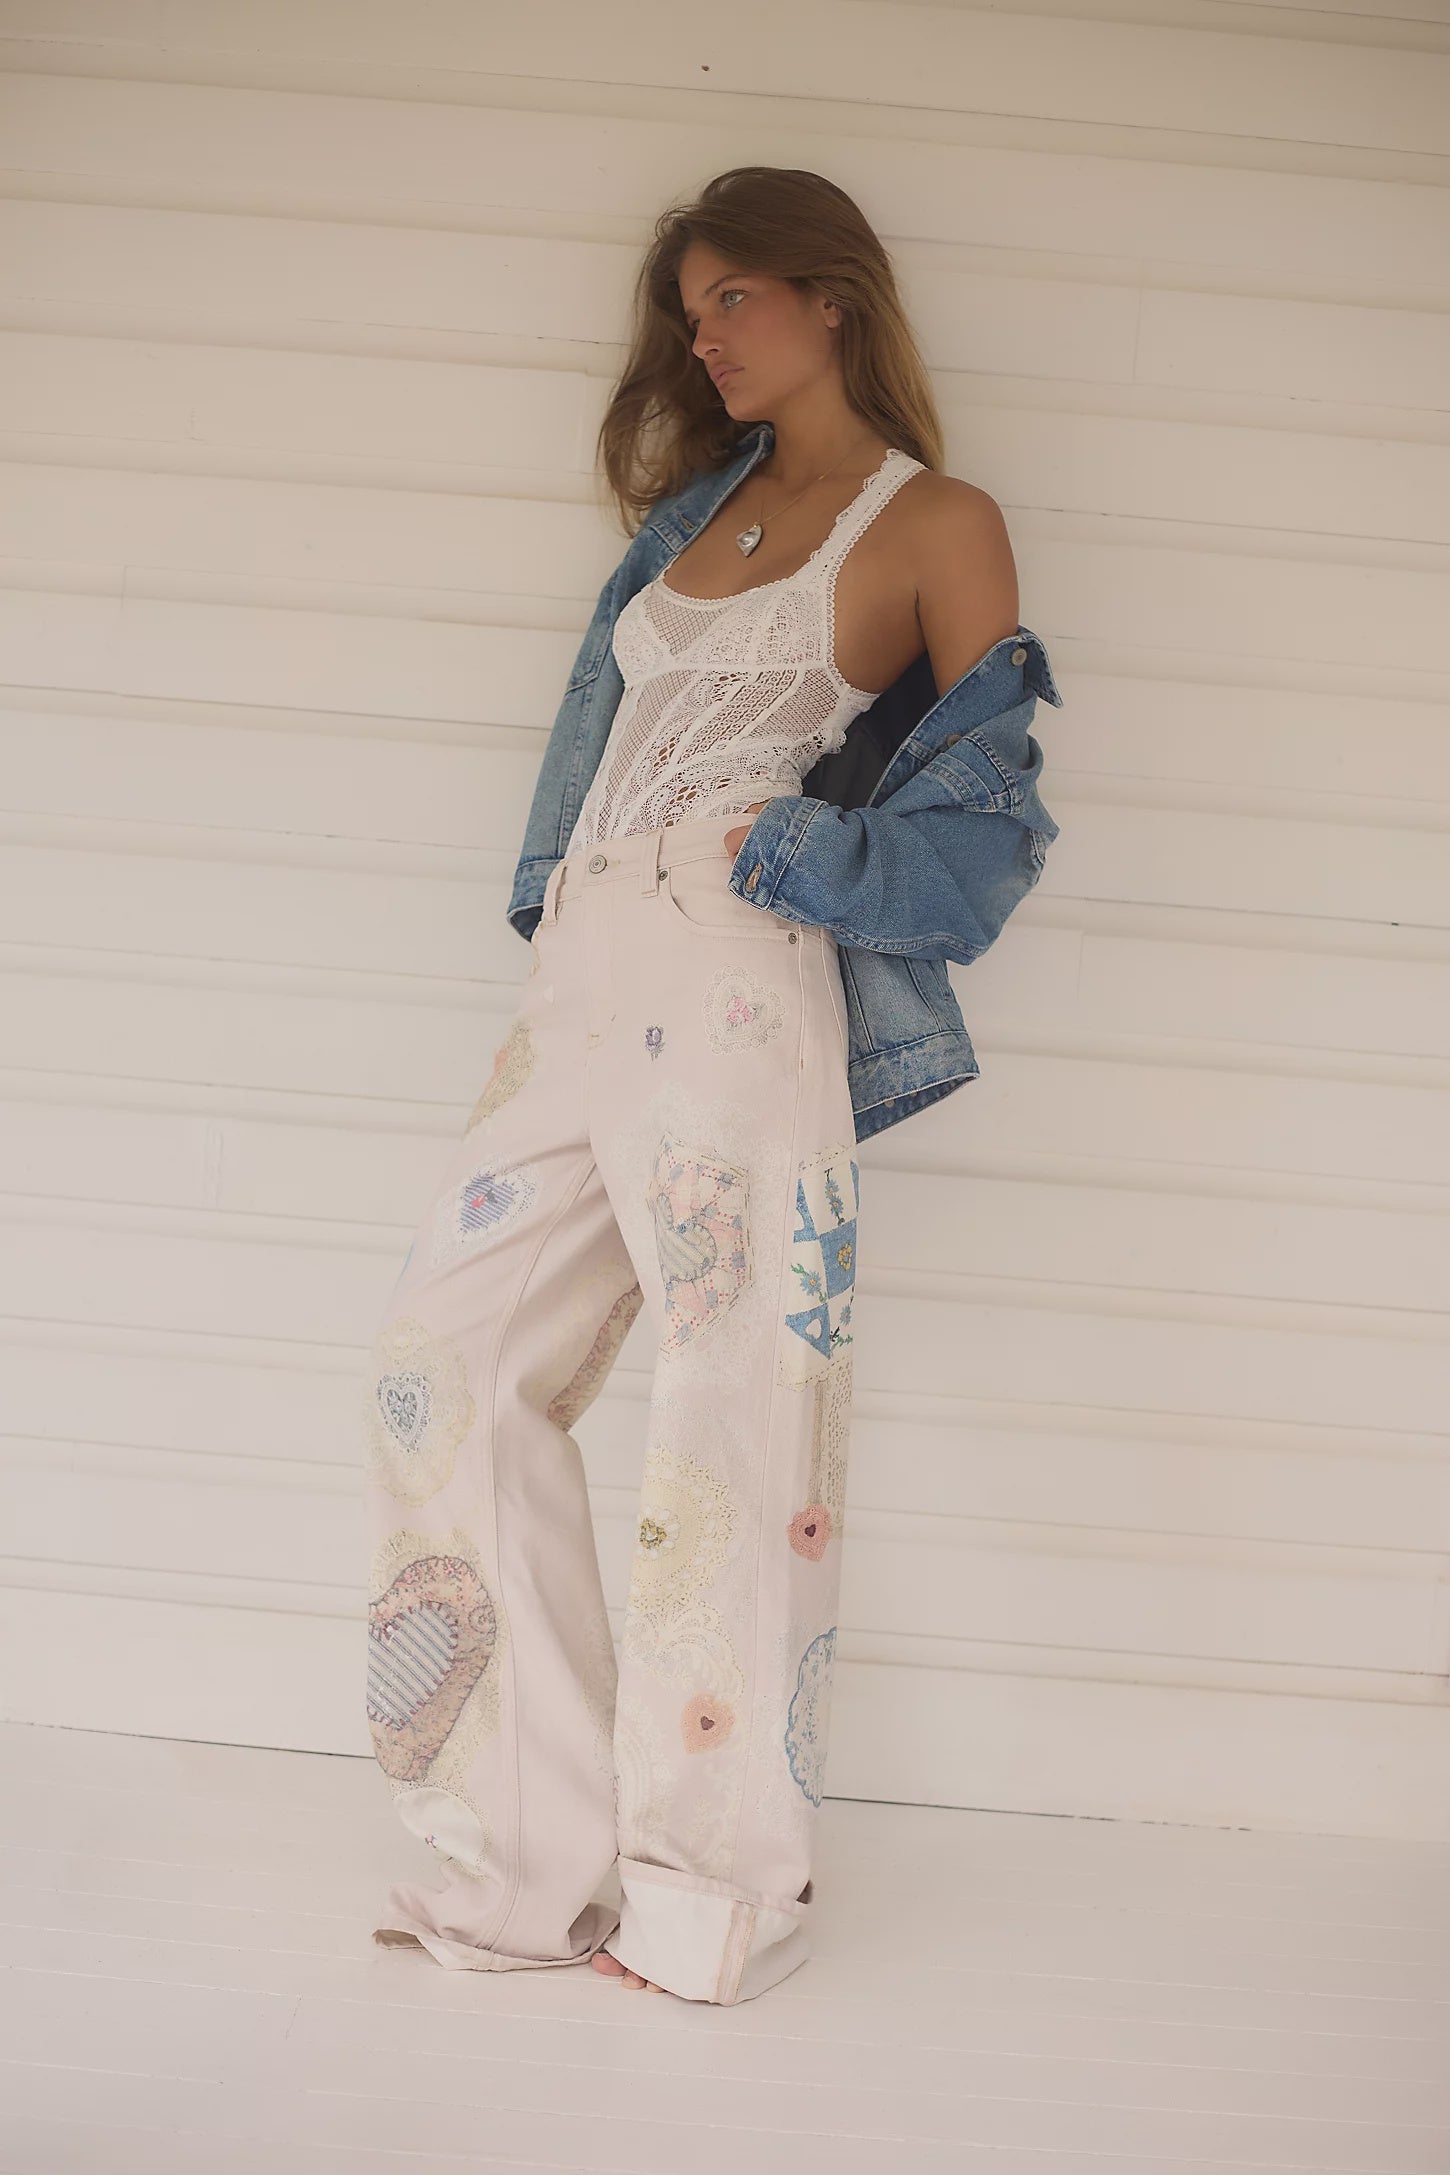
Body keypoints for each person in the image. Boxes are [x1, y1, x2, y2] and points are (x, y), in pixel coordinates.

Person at [361, 166, 1061, 2006]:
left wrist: (803, 853)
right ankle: (526, 1871)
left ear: (832, 296)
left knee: (733, 1425)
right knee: (444, 1372)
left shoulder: (934, 521)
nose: (705, 336)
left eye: (732, 296)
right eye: (689, 311)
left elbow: (990, 817)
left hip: (739, 974)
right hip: (582, 975)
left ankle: (710, 1903)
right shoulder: (695, 513)